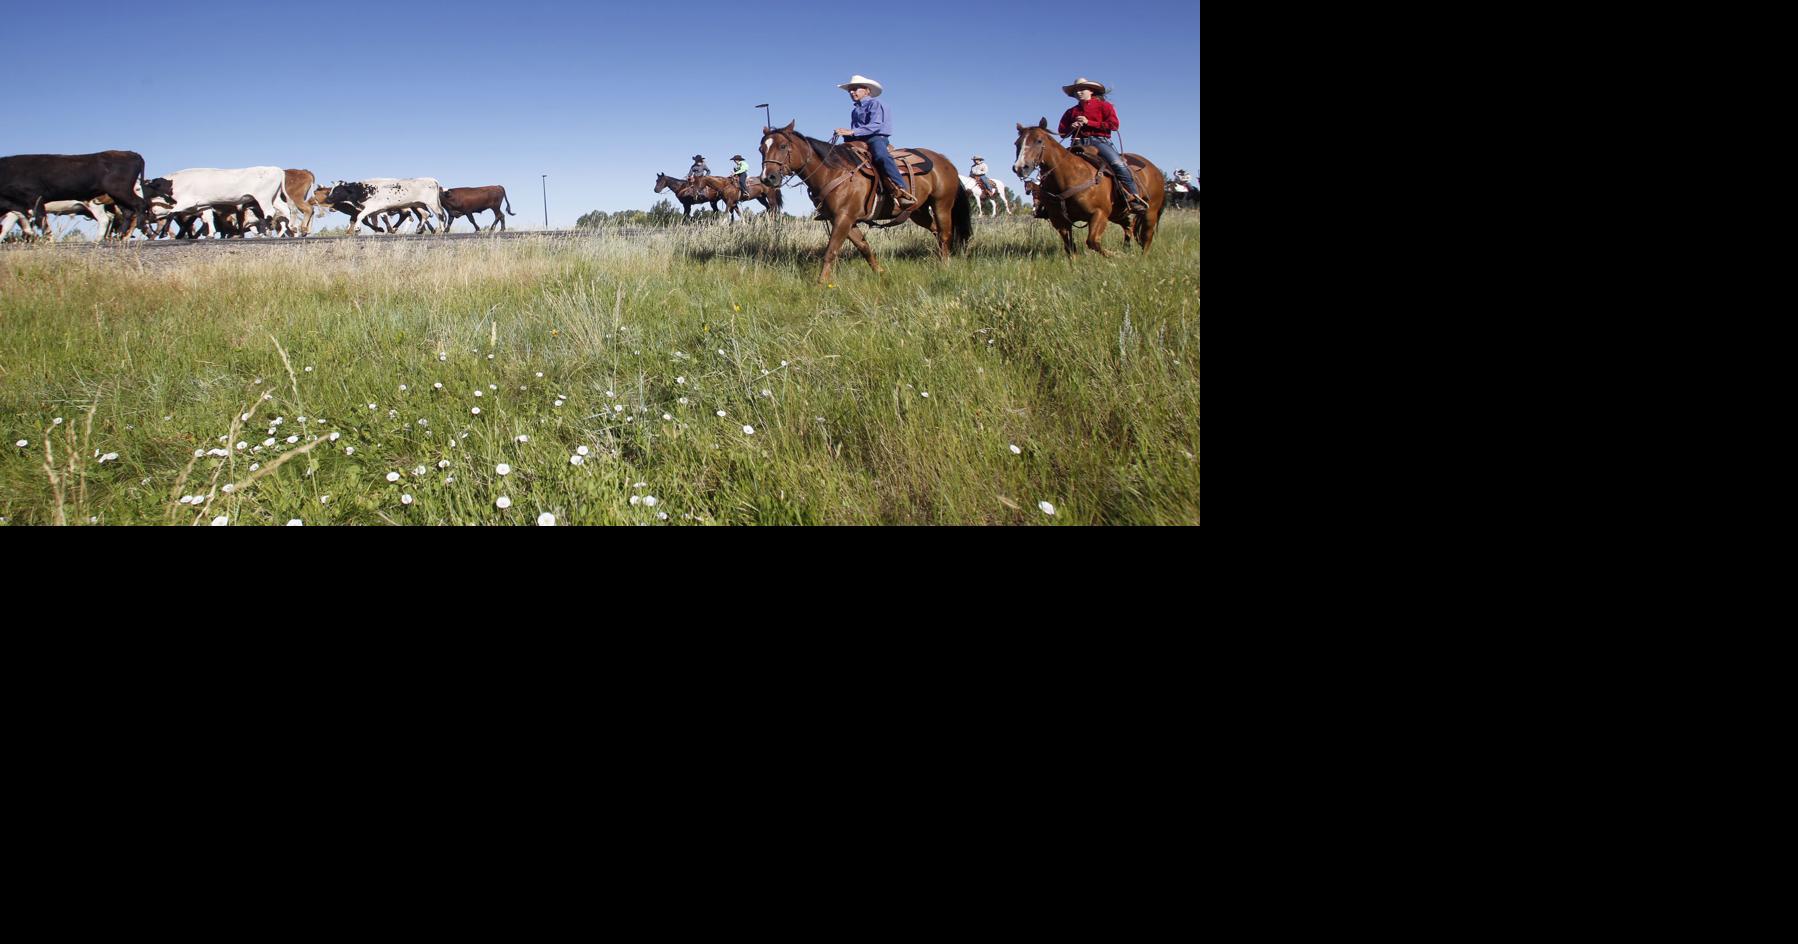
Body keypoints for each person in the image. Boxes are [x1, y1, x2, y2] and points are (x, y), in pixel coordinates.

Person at [1056, 77, 1148, 211]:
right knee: (1056, 166)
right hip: (1077, 143)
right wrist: (1072, 126)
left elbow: (1114, 125)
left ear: (1091, 91)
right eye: (1076, 90)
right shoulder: (1071, 112)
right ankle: (1049, 204)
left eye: (1082, 89)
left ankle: (1133, 196)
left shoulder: (1104, 106)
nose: (1079, 92)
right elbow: (1062, 132)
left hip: (1099, 142)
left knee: (1118, 164)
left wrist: (1089, 122)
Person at [832, 74, 917, 212]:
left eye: (855, 89)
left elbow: (876, 126)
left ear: (867, 90)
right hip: (860, 139)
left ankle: (902, 189)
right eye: (850, 90)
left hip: (876, 138)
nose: (852, 92)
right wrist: (845, 133)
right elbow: (856, 130)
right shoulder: (855, 110)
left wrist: (852, 132)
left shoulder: (876, 104)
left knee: (881, 156)